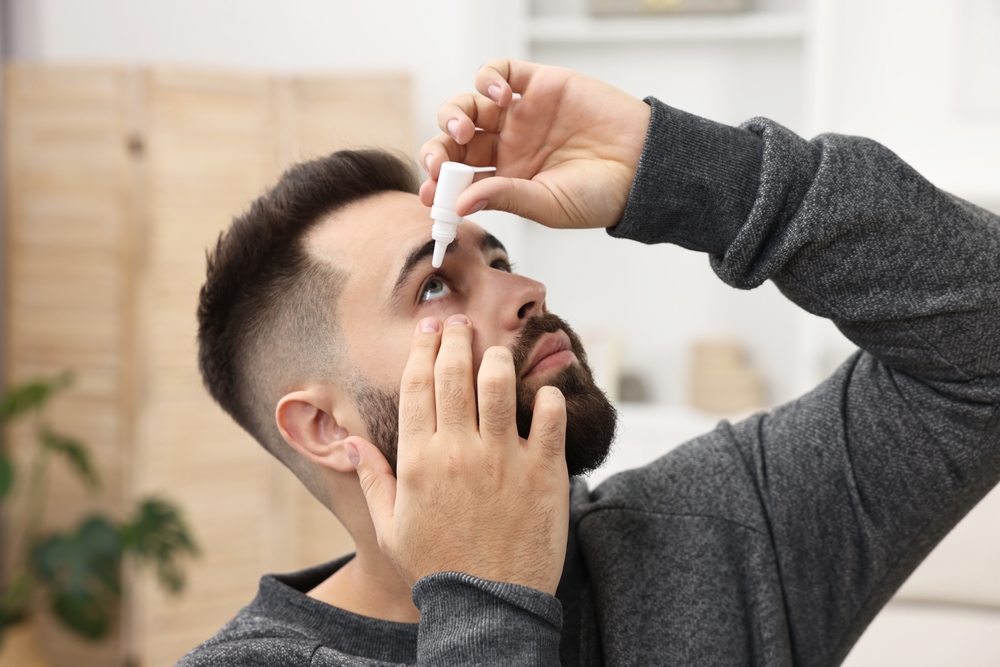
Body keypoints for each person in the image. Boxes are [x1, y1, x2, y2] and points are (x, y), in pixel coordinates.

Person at [179, 59, 1000, 666]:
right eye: (434, 285)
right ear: (323, 426)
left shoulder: (721, 531)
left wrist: (678, 167)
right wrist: (486, 602)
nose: (527, 288)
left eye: (498, 258)